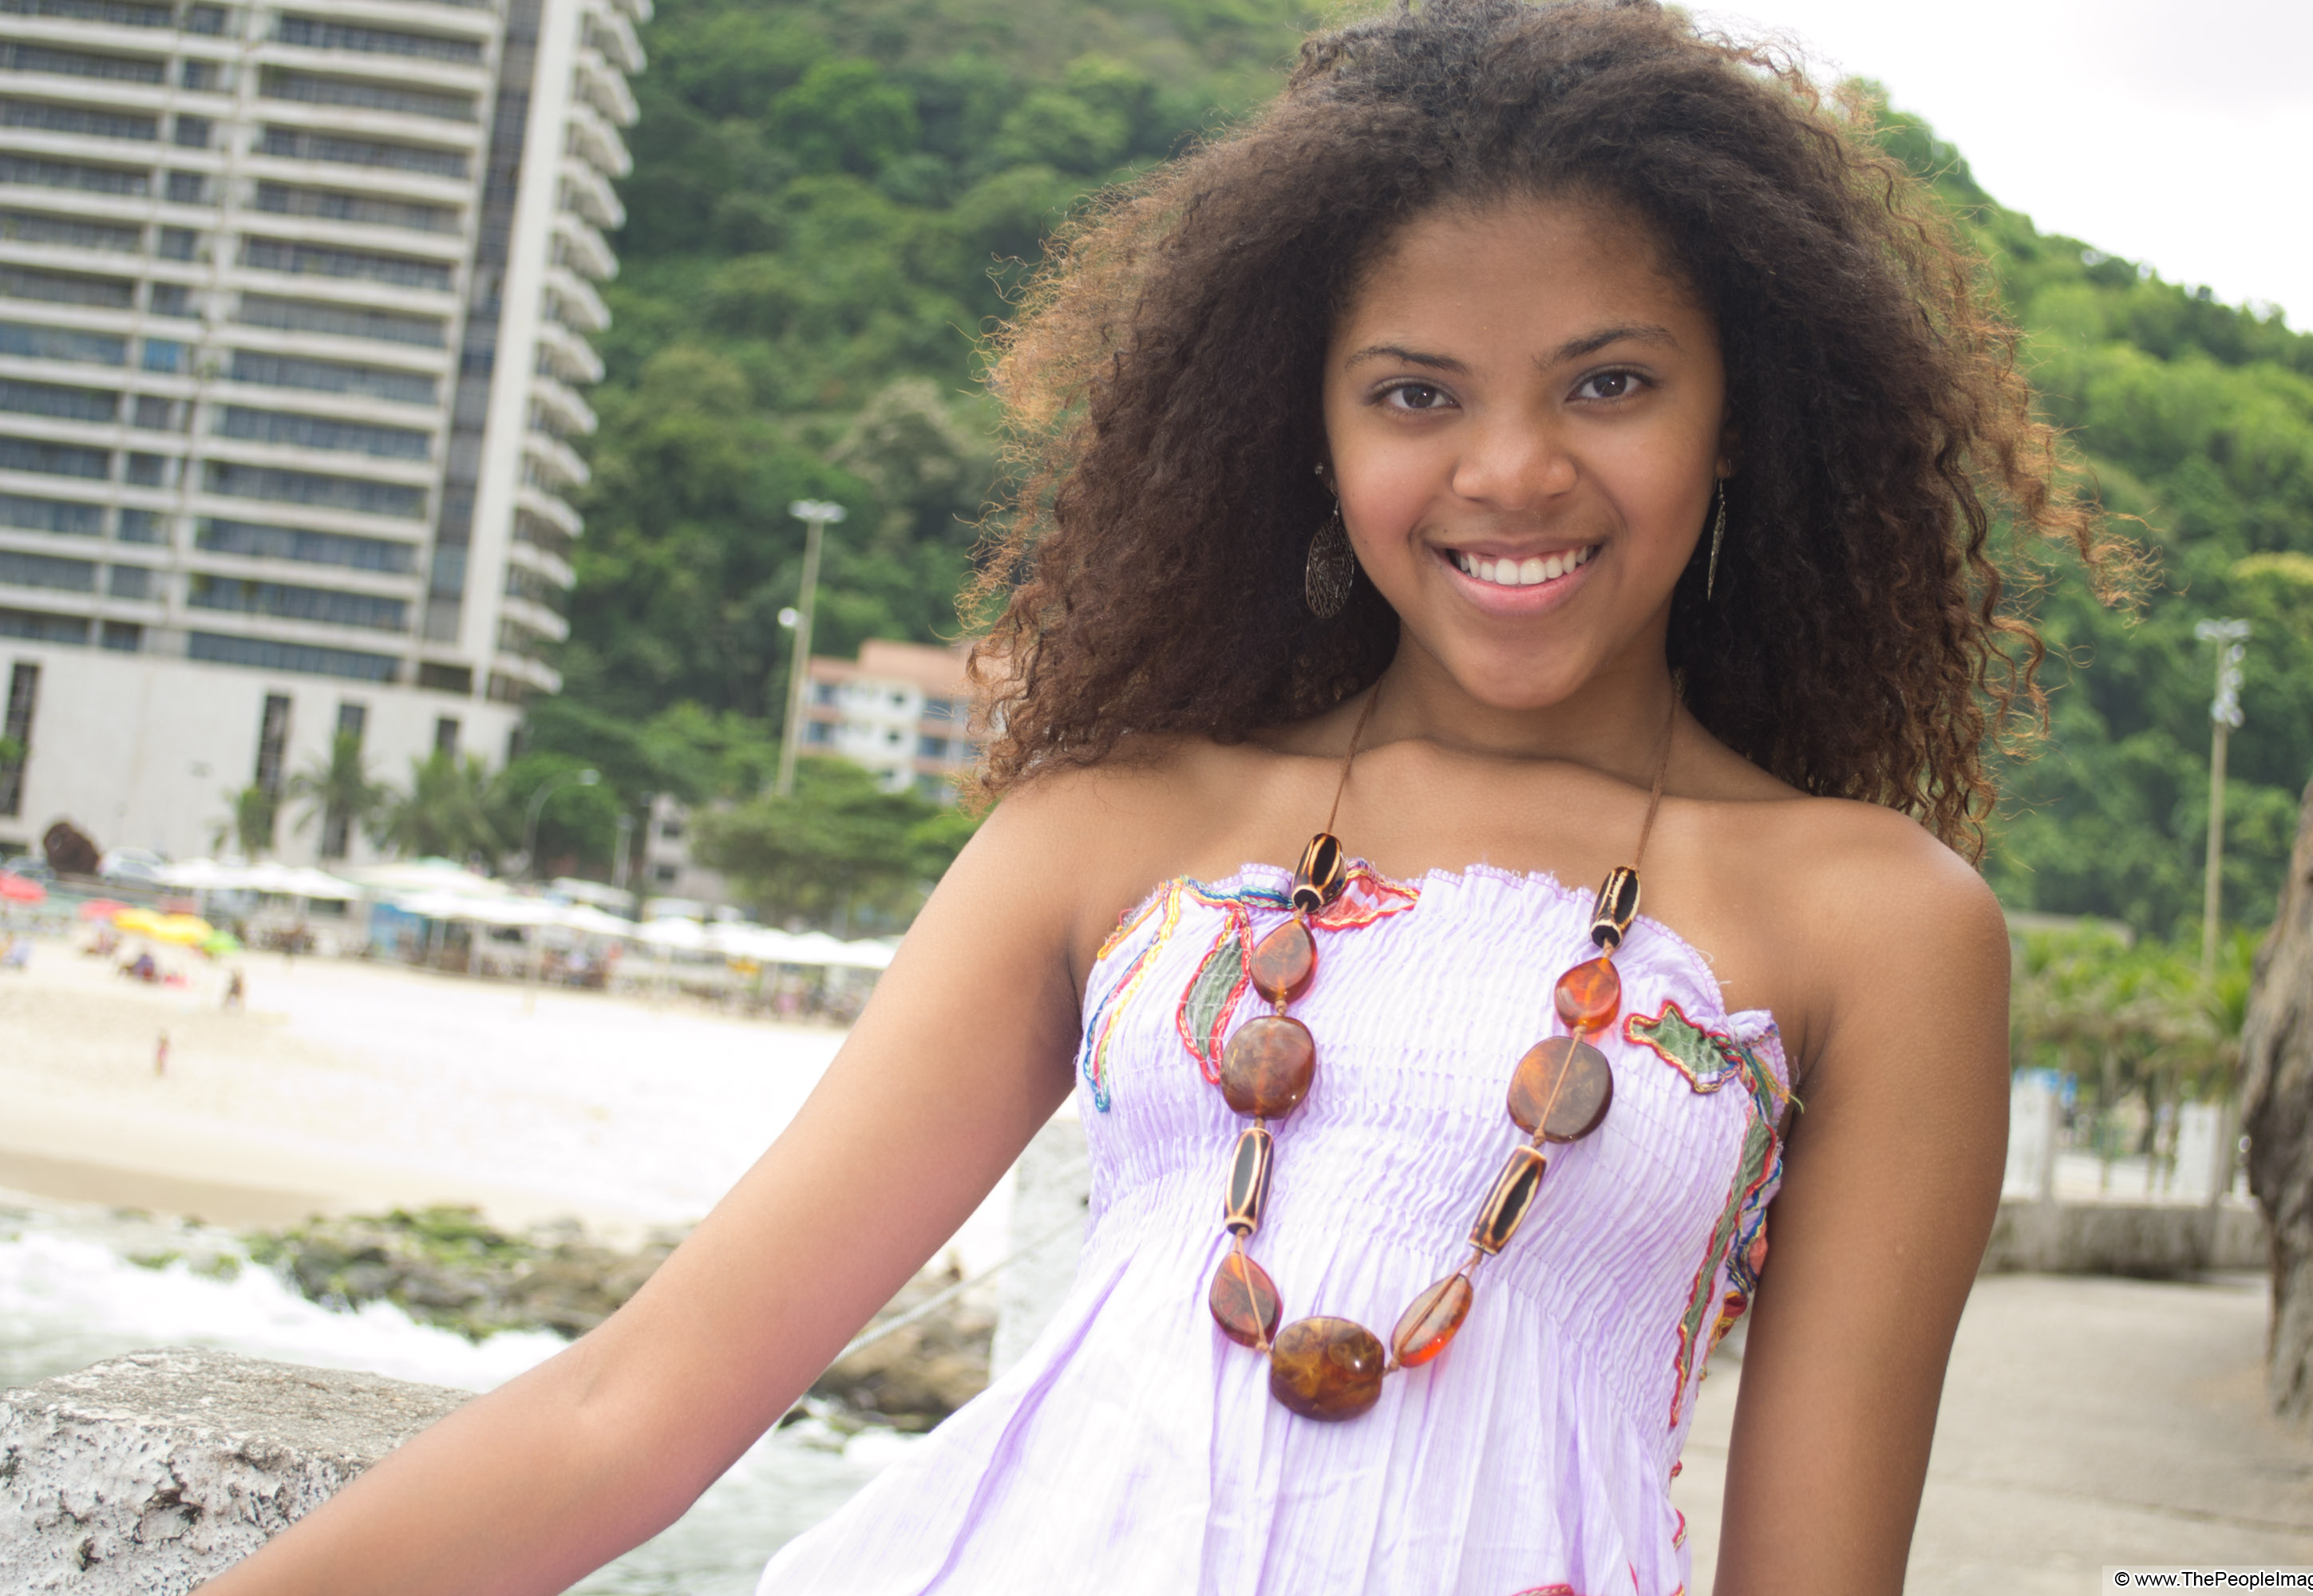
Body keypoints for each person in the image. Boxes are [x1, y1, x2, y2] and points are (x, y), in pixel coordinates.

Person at [204, 3, 2115, 1592]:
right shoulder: (1113, 830)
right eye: (1416, 394)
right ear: (1312, 430)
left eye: (1607, 385)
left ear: (1740, 414)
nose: (1511, 471)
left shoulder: (1881, 927)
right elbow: (636, 1410)